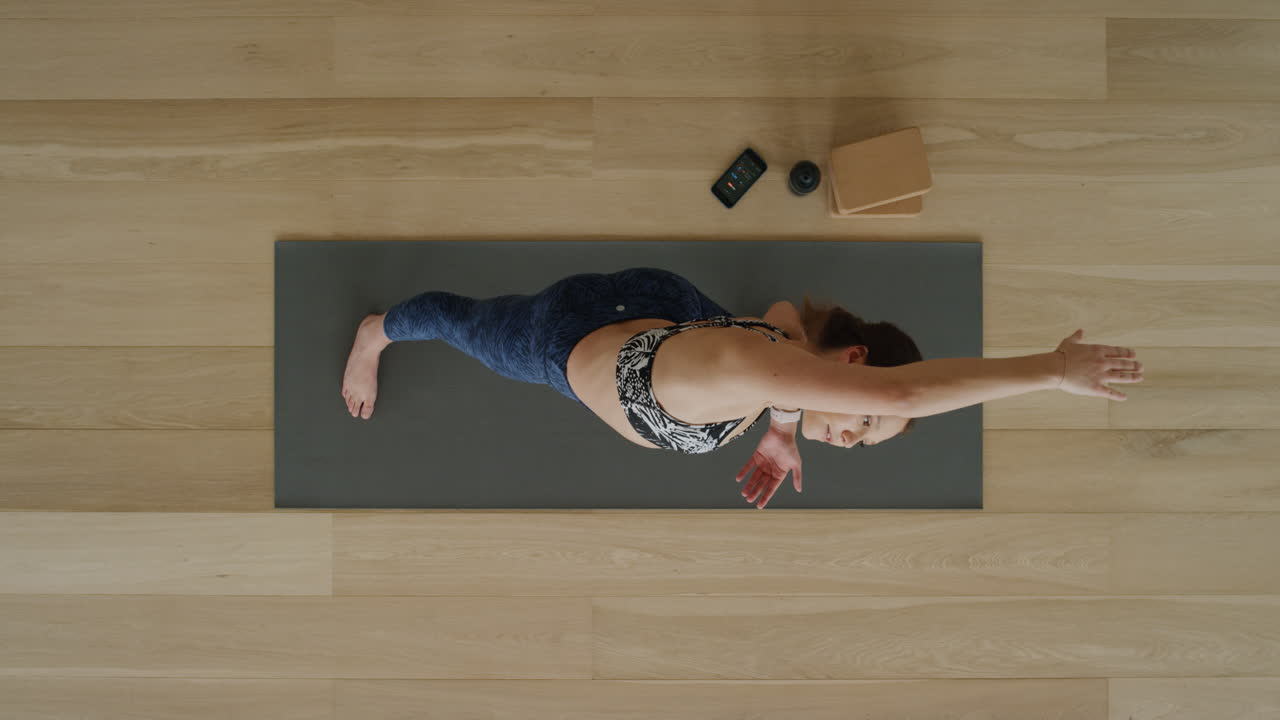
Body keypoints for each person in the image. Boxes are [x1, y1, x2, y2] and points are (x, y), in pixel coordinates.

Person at [341, 267, 1143, 509]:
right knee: (461, 322)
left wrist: (788, 427)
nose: (853, 438)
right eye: (861, 427)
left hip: (669, 311)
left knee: (763, 344)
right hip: (563, 337)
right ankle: (380, 328)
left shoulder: (782, 353)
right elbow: (902, 397)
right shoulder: (756, 372)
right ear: (857, 367)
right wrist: (1049, 370)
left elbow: (785, 314)